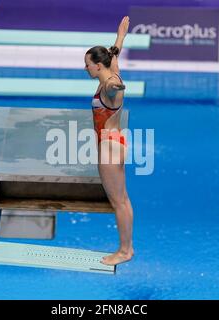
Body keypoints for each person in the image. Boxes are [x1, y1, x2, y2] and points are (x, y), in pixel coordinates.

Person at [84, 16, 134, 266]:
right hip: (113, 142)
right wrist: (120, 36)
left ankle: (125, 251)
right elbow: (115, 53)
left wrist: (116, 86)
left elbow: (116, 87)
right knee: (121, 200)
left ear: (98, 66)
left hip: (109, 147)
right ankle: (125, 248)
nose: (86, 69)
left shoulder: (110, 84)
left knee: (119, 202)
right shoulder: (110, 70)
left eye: (88, 65)